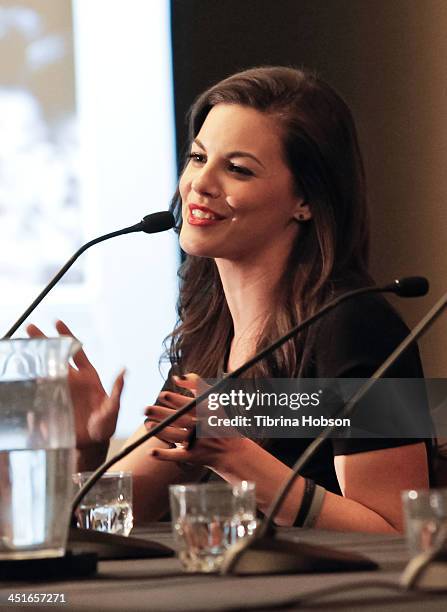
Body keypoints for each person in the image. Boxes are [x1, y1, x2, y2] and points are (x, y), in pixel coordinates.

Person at [28, 66, 430, 533]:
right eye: (198, 158)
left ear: (306, 200)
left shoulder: (358, 325)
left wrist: (238, 457)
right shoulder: (210, 331)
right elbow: (110, 520)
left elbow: (401, 533)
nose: (200, 183)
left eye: (237, 169)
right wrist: (86, 448)